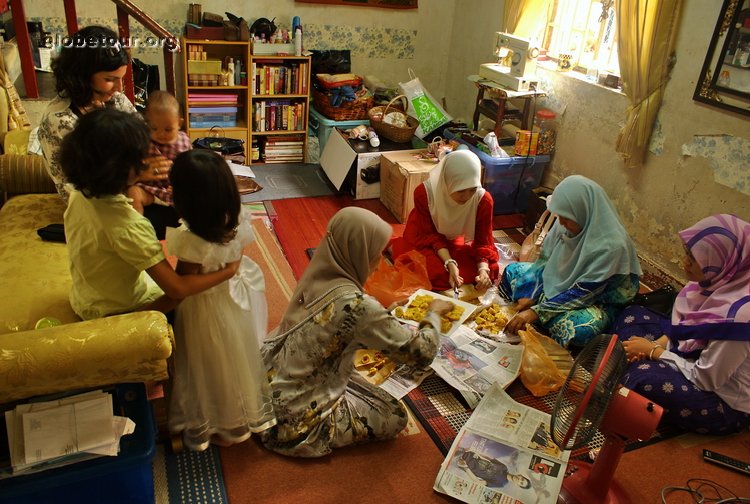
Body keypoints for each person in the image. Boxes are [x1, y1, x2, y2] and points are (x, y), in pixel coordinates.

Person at [260, 207, 453, 457]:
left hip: (266, 395)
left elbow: (339, 322)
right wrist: (433, 314)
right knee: (393, 414)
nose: (378, 264)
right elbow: (421, 353)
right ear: (359, 253)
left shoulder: (322, 269)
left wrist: (383, 313)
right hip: (292, 425)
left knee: (353, 369)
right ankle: (315, 432)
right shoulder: (360, 307)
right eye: (375, 255)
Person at [60, 108, 240, 320]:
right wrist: (228, 271)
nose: (146, 160)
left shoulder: (78, 195)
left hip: (87, 299)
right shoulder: (130, 227)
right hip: (117, 312)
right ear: (124, 169)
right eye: (141, 156)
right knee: (197, 309)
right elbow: (177, 289)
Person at [165, 149, 275, 450]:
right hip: (238, 297)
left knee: (208, 362)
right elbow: (236, 257)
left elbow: (184, 281)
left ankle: (216, 419)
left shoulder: (191, 239)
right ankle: (241, 410)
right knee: (237, 353)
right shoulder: (236, 216)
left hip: (205, 305)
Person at [615, 214, 750, 435]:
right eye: (687, 253)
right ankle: (624, 375)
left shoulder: (738, 318)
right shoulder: (716, 282)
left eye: (695, 258)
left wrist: (654, 351)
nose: (684, 262)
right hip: (693, 358)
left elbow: (706, 379)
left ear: (723, 260)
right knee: (634, 314)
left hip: (724, 399)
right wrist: (656, 345)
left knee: (643, 377)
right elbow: (684, 326)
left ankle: (623, 379)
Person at [38, 25, 176, 236]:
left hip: (136, 191)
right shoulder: (59, 121)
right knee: (190, 222)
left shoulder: (114, 99)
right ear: (82, 75)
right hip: (99, 208)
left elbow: (145, 142)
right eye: (110, 79)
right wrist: (134, 176)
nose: (119, 89)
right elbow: (75, 191)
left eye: (120, 78)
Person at [501, 175, 641, 348]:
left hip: (595, 300)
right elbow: (544, 261)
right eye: (560, 216)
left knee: (575, 329)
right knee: (512, 272)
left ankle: (544, 321)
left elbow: (583, 293)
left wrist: (535, 312)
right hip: (560, 283)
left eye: (567, 218)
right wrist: (531, 292)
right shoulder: (565, 223)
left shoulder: (612, 247)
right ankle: (542, 318)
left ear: (583, 212)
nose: (561, 222)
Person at [389, 150, 499, 292]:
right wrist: (450, 263)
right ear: (446, 181)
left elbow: (484, 241)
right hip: (424, 235)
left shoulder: (483, 200)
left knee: (492, 269)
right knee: (435, 272)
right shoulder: (424, 193)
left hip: (453, 237)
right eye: (460, 190)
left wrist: (483, 270)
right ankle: (395, 245)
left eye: (472, 189)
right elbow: (430, 236)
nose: (466, 196)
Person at [127, 91, 192, 214]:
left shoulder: (183, 141)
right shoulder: (143, 140)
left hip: (174, 189)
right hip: (150, 189)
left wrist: (181, 184)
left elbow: (190, 167)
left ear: (179, 124)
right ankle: (138, 226)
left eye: (168, 129)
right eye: (154, 128)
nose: (160, 134)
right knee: (133, 193)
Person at [455, 448, 531, 490]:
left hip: (464, 463)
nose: (519, 480)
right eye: (522, 479)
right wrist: (476, 452)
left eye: (521, 483)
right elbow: (489, 459)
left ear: (517, 485)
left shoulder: (501, 484)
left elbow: (479, 482)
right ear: (521, 475)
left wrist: (465, 468)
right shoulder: (504, 467)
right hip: (469, 453)